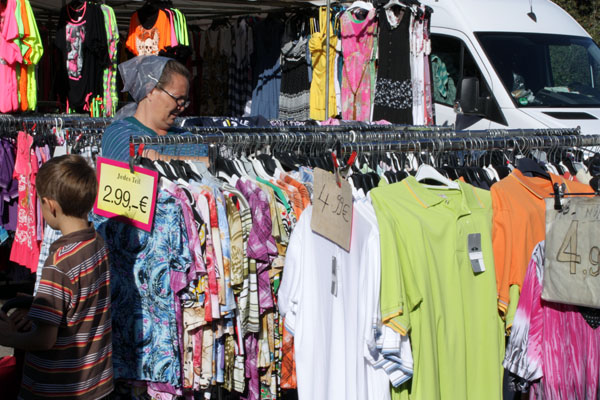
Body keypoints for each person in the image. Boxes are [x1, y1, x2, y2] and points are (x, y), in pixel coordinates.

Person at [0, 154, 113, 399]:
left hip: (58, 388)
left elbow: (44, 339)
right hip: (96, 382)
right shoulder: (98, 242)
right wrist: (37, 307)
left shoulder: (59, 265)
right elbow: (78, 305)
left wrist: (7, 336)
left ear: (51, 205)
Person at [102, 55, 204, 162]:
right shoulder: (118, 133)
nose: (182, 107)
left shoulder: (187, 139)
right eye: (178, 99)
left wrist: (155, 157)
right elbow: (135, 164)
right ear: (150, 91)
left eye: (184, 102)